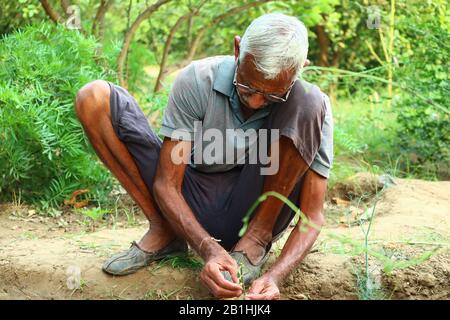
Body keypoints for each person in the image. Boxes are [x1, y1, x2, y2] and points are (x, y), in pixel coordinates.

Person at [75, 13, 333, 300]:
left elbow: (312, 215)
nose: (257, 102)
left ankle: (254, 241)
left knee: (309, 99)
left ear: (299, 70)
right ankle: (165, 231)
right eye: (247, 87)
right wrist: (208, 248)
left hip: (253, 210)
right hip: (189, 201)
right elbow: (167, 184)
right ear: (237, 49)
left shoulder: (310, 107)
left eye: (272, 96)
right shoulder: (198, 80)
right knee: (93, 97)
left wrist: (275, 276)